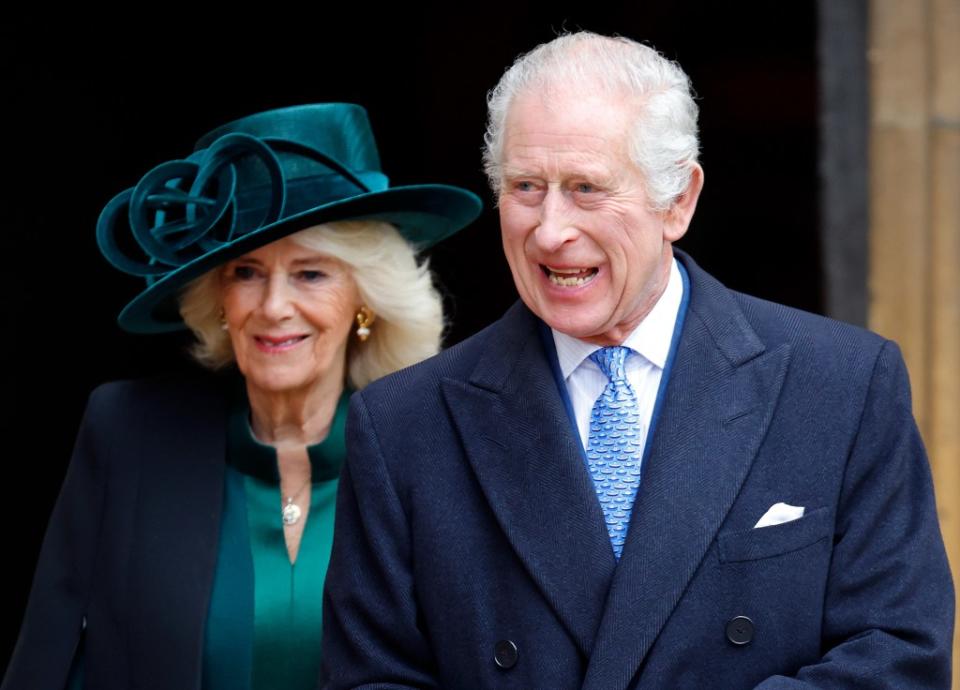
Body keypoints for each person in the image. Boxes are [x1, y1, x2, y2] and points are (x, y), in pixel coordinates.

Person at [320, 33, 954, 689]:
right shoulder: (401, 426)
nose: (550, 230)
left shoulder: (843, 386)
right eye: (526, 187)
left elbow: (897, 656)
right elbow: (371, 677)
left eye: (587, 188)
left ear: (678, 199)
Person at [2, 103, 481, 690]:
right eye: (247, 272)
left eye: (310, 273)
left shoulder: (434, 457)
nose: (273, 306)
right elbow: (47, 669)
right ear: (219, 301)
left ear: (365, 299)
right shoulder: (127, 434)